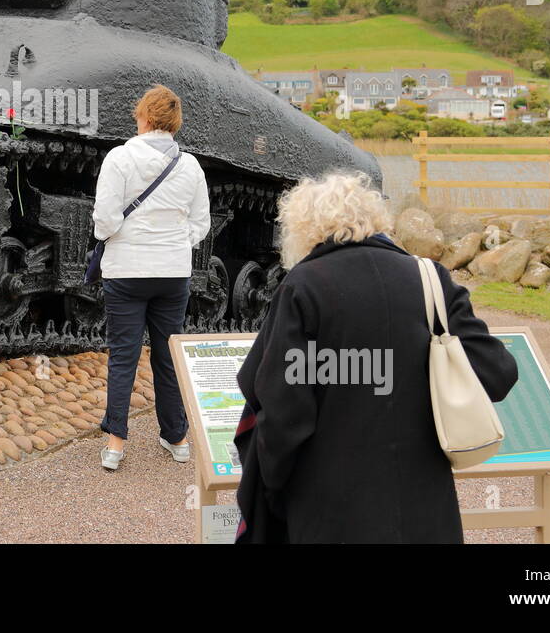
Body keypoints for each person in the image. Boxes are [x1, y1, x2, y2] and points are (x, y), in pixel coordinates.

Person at [233, 172, 518, 542]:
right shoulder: (430, 278)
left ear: (302, 230)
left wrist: (269, 488)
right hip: (424, 506)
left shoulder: (304, 287)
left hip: (331, 510)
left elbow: (285, 411)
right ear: (374, 218)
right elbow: (498, 372)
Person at [91, 84, 211, 471]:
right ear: (174, 123)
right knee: (167, 356)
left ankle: (115, 444)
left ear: (143, 116)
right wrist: (175, 244)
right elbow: (200, 224)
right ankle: (176, 438)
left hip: (126, 272)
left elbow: (105, 220)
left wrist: (118, 237)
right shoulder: (190, 166)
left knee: (123, 356)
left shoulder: (119, 158)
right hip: (172, 274)